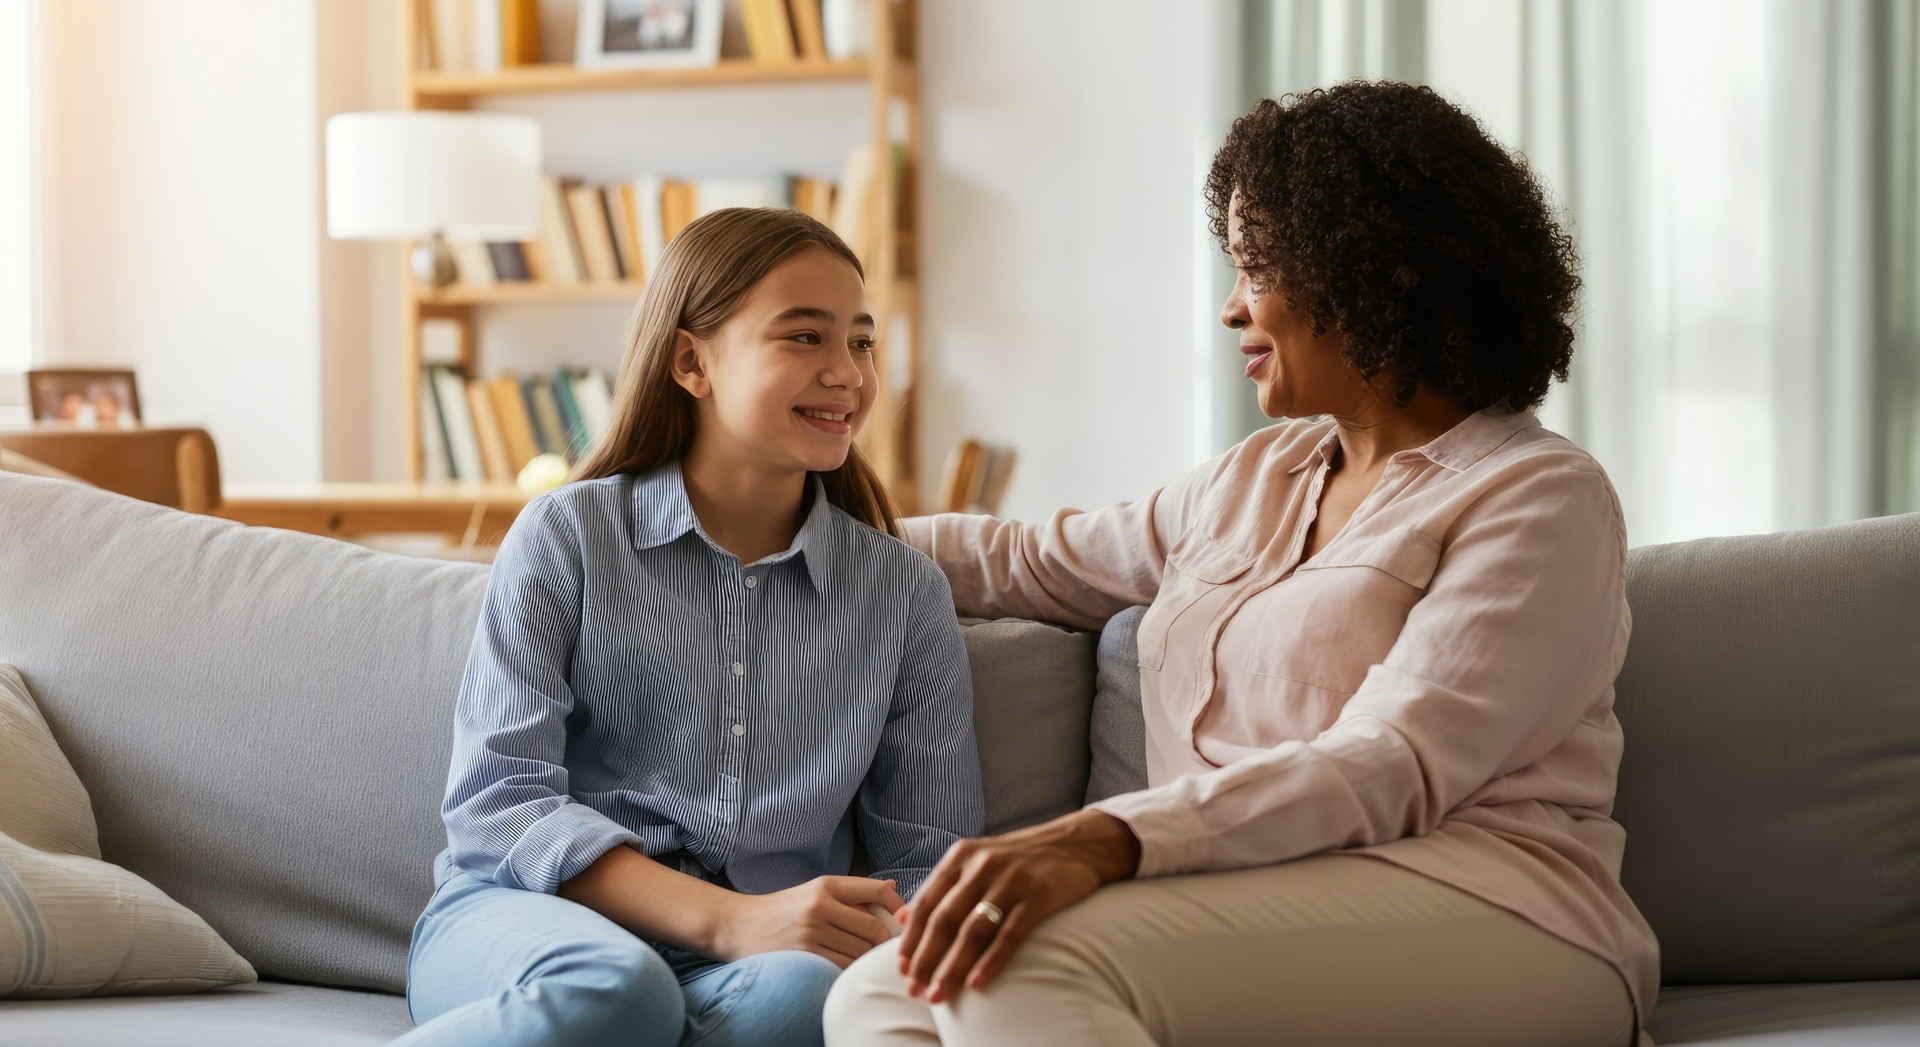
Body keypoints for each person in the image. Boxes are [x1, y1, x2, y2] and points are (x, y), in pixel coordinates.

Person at [826, 82, 1658, 1047]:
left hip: (1500, 911)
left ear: (1377, 274)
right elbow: (1027, 559)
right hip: (1243, 906)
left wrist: (1109, 837)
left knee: (1013, 966)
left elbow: (1396, 761)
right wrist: (787, 516)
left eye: (1256, 265)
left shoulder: (1538, 495)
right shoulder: (1257, 476)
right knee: (881, 986)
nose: (1231, 308)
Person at [397, 208, 984, 1047]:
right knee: (617, 988)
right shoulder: (568, 536)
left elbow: (928, 860)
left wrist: (885, 953)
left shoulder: (903, 596)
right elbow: (499, 803)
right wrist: (729, 919)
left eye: (860, 341)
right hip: (526, 918)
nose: (846, 373)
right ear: (691, 360)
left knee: (807, 999)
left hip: (755, 962)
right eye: (804, 337)